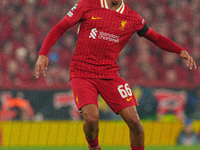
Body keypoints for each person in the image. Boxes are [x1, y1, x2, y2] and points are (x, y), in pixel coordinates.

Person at [34, 0, 197, 149]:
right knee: (91, 119)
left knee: (135, 122)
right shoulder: (88, 5)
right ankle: (95, 148)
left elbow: (155, 38)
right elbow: (60, 27)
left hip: (109, 74)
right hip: (82, 73)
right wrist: (43, 53)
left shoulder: (132, 18)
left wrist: (179, 50)